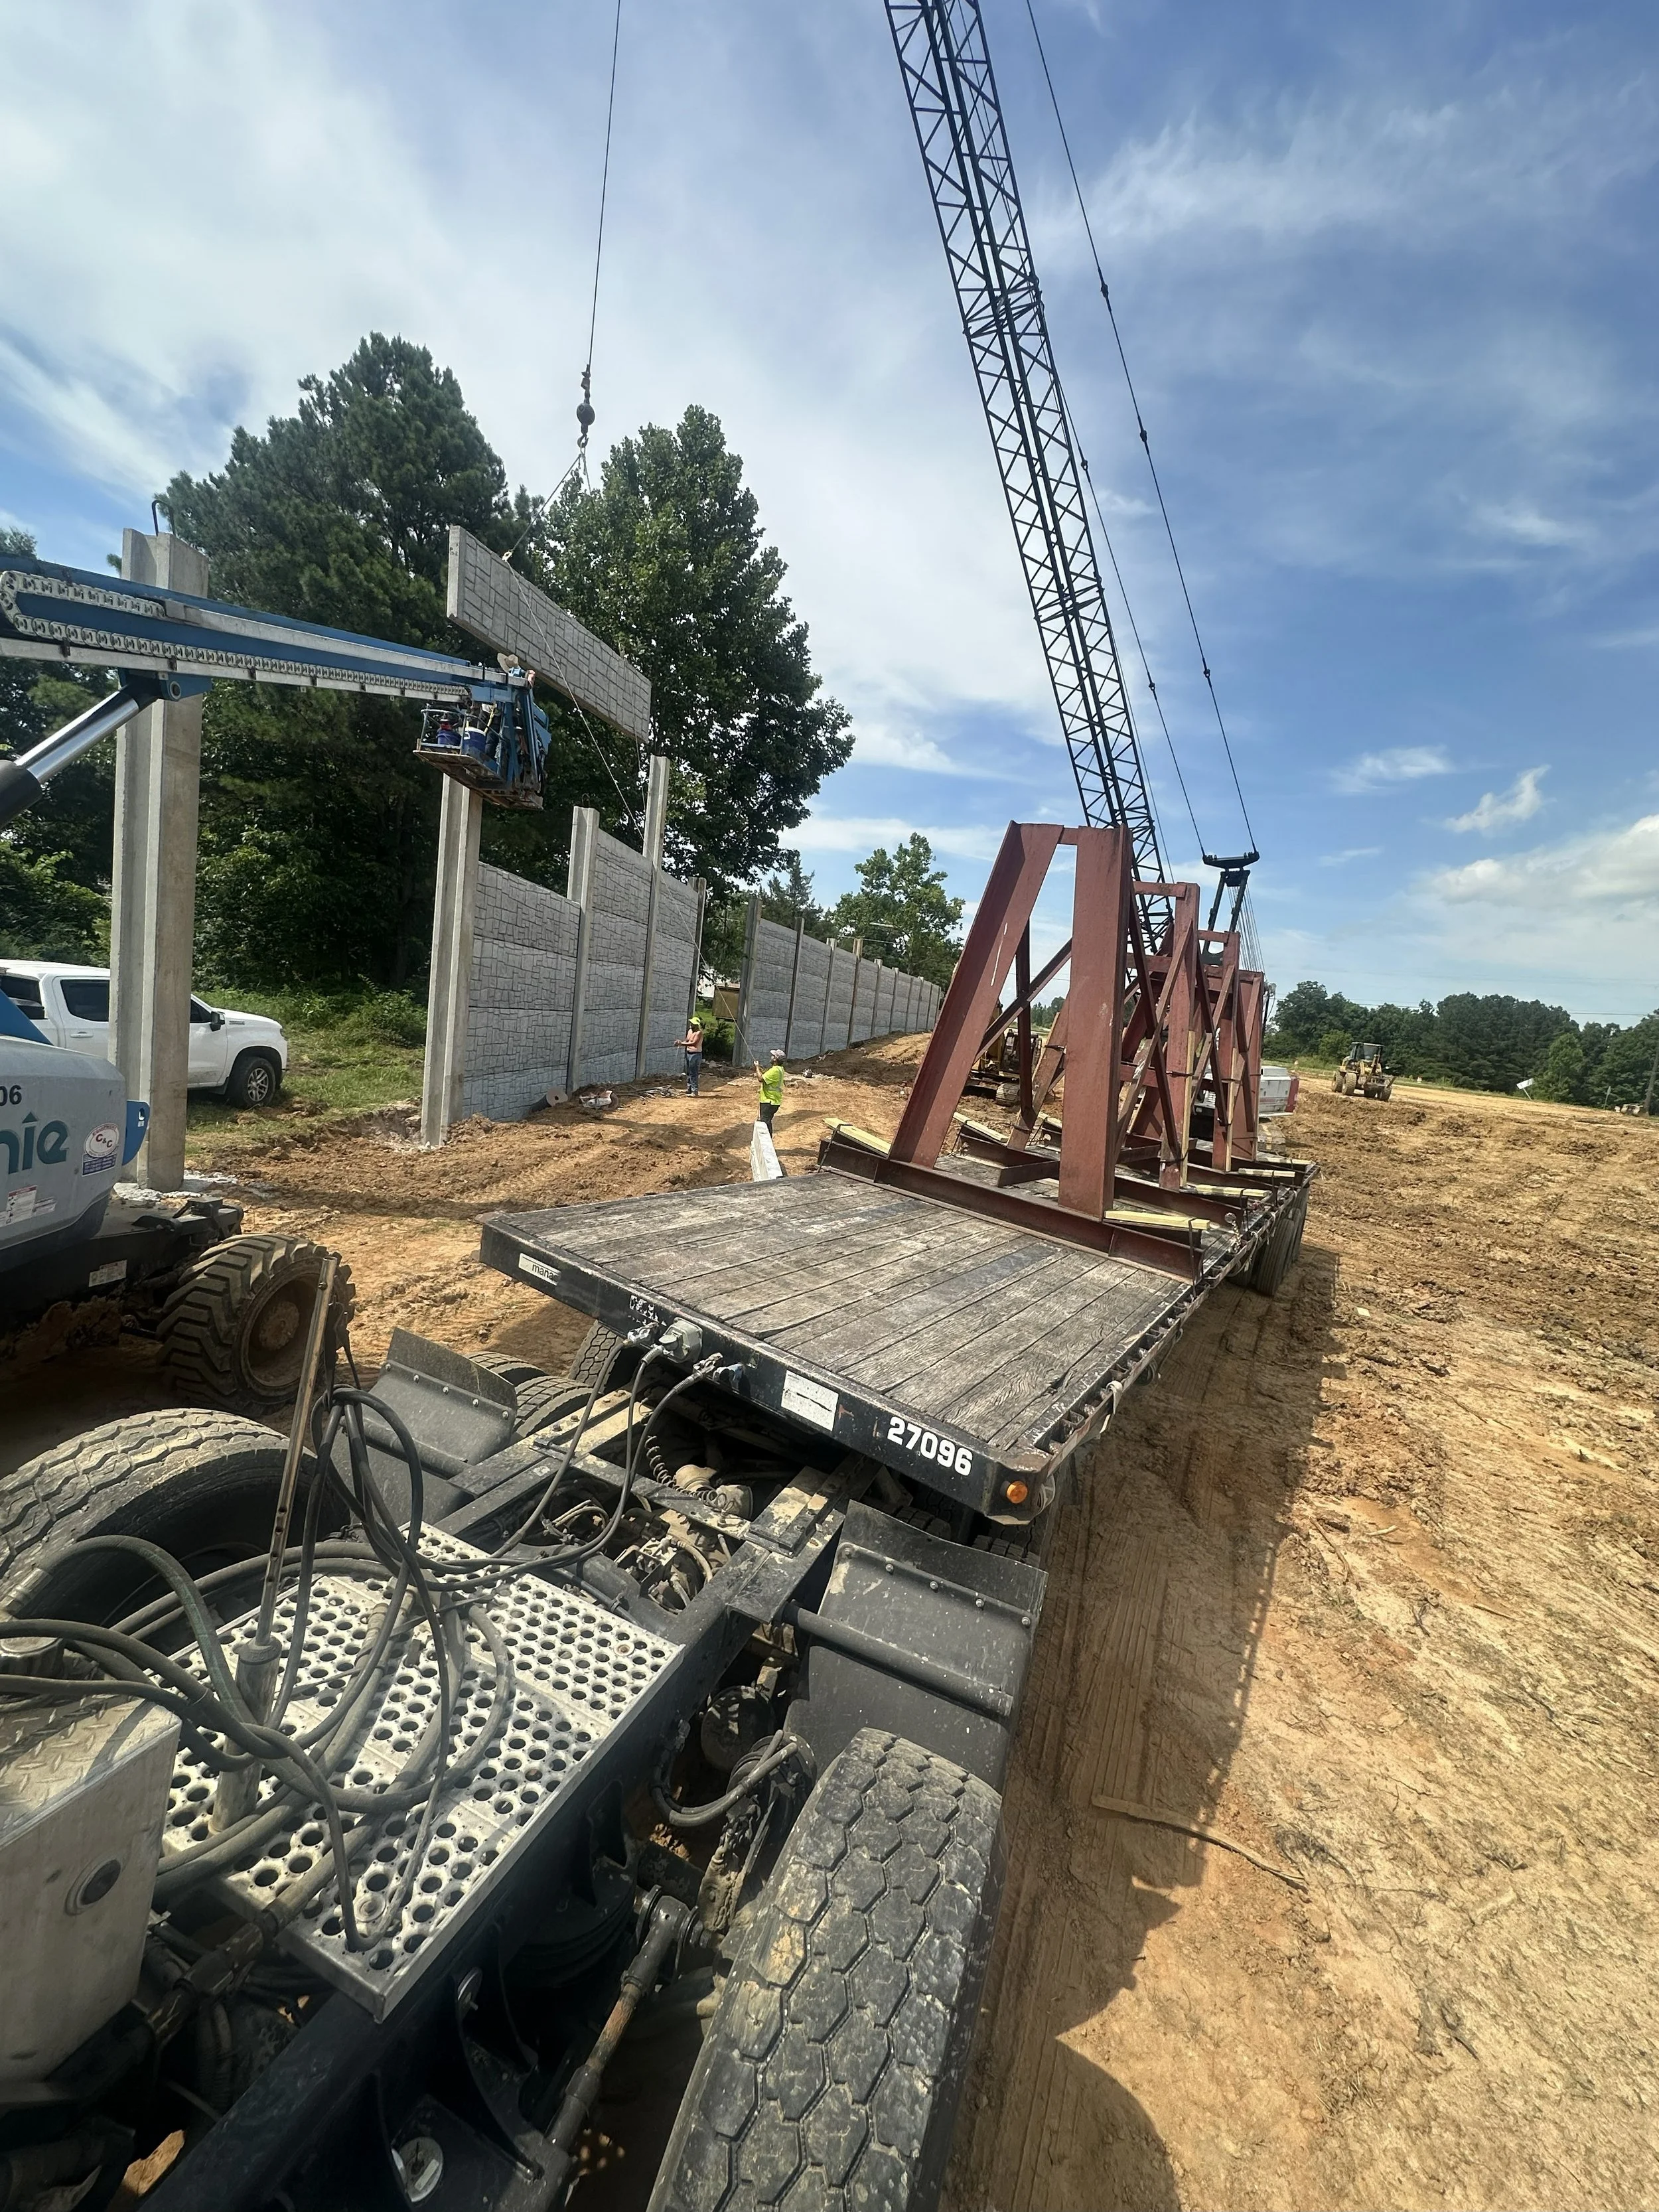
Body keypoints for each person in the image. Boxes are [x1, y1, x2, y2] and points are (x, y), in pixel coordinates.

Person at [755, 1048, 786, 1129]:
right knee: (767, 1123)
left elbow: (761, 1079)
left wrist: (757, 1067)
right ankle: (769, 1139)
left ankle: (766, 1141)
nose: (771, 1057)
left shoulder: (775, 1070)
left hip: (769, 1101)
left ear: (775, 1059)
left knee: (764, 1124)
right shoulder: (780, 1069)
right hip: (774, 1101)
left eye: (773, 1056)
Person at [682, 1017, 704, 1097]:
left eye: (693, 1024)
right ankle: (689, 1088)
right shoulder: (690, 1031)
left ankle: (695, 1091)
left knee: (694, 1073)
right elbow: (687, 1041)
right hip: (689, 1053)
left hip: (695, 1054)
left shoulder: (699, 1033)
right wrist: (680, 1043)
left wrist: (681, 1044)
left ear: (696, 1025)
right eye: (691, 1023)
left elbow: (694, 1043)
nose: (691, 1025)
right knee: (688, 1072)